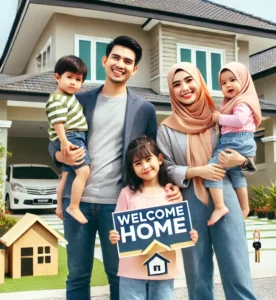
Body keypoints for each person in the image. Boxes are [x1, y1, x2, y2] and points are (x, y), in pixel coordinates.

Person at [48, 36, 181, 300]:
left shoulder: (144, 108)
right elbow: (54, 142)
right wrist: (61, 157)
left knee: (119, 275)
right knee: (77, 275)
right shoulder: (79, 98)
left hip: (120, 205)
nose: (121, 64)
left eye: (128, 61)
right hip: (79, 202)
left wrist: (168, 185)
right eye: (116, 58)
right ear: (105, 60)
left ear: (135, 69)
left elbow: (152, 155)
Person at [157, 62, 257, 300]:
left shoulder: (222, 118)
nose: (185, 88)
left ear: (199, 82)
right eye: (177, 84)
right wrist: (198, 171)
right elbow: (165, 169)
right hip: (189, 202)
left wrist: (241, 160)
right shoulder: (166, 129)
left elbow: (247, 157)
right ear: (171, 91)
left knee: (237, 268)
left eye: (189, 80)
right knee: (197, 274)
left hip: (226, 196)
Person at [109, 136, 198, 300]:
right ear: (132, 168)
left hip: (163, 267)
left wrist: (190, 235)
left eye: (148, 159)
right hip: (132, 270)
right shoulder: (127, 194)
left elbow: (181, 227)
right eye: (137, 163)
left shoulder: (171, 194)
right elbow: (118, 229)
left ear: (160, 159)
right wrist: (114, 236)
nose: (145, 166)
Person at [205, 62, 262, 225]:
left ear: (243, 81)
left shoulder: (242, 102)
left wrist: (219, 118)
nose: (228, 85)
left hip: (236, 141)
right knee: (237, 174)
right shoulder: (232, 103)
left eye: (232, 80)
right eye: (223, 83)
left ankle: (219, 206)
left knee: (213, 169)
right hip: (242, 141)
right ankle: (245, 207)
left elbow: (239, 120)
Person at [46, 55, 90, 224]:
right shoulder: (57, 99)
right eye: (69, 77)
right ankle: (73, 205)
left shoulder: (67, 96)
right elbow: (58, 122)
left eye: (78, 80)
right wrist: (64, 142)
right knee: (84, 171)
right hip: (71, 136)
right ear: (57, 77)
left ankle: (59, 206)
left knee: (65, 175)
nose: (73, 82)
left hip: (71, 136)